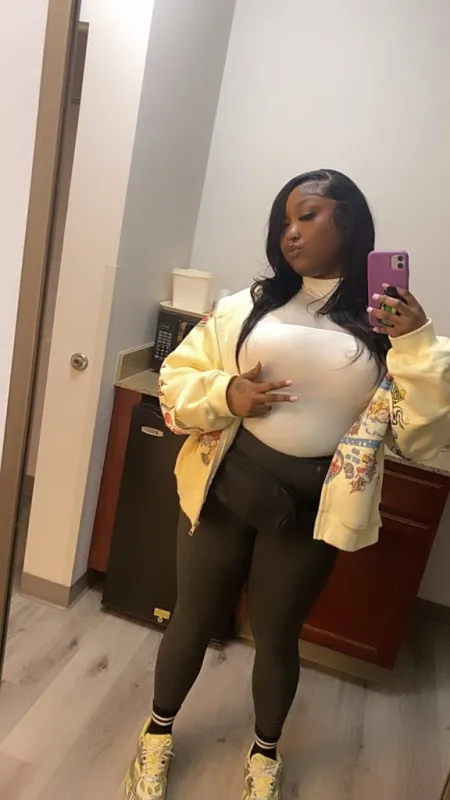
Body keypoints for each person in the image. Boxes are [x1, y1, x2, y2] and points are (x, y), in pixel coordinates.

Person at [125, 169, 450, 800]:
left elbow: (422, 437)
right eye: (283, 221)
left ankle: (265, 755)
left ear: (349, 221)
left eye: (307, 216)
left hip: (310, 507)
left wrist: (416, 342)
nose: (289, 233)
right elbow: (175, 381)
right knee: (192, 617)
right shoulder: (245, 307)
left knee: (276, 638)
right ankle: (156, 735)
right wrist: (228, 393)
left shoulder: (387, 326)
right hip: (228, 486)